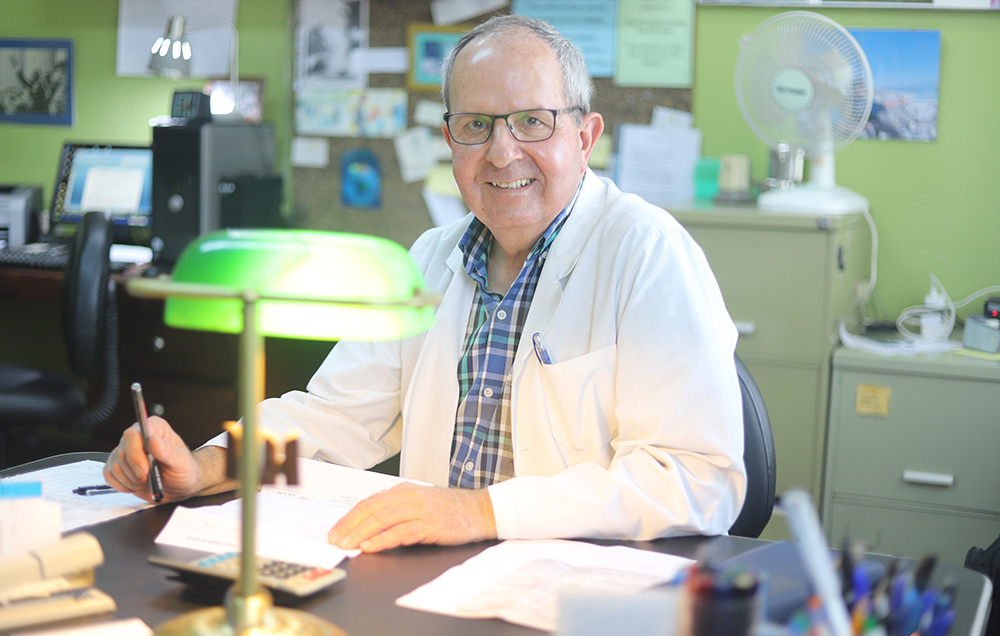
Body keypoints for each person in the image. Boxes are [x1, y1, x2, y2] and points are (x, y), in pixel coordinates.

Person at [105, 14, 745, 553]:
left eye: (532, 121)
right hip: (440, 581)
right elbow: (332, 420)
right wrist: (208, 466)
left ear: (586, 135)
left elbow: (696, 479)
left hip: (578, 599)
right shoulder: (432, 258)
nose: (501, 152)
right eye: (476, 126)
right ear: (450, 140)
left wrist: (478, 513)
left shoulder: (646, 253)